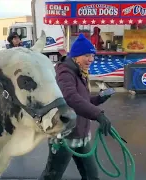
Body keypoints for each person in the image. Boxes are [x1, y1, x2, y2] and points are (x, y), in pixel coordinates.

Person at [39, 34, 113, 180]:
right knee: (52, 176)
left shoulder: (80, 72)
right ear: (76, 56)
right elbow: (71, 98)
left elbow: (82, 100)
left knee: (91, 176)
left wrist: (99, 98)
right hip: (65, 136)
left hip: (81, 134)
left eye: (92, 55)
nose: (91, 59)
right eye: (86, 55)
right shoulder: (65, 73)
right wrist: (98, 114)